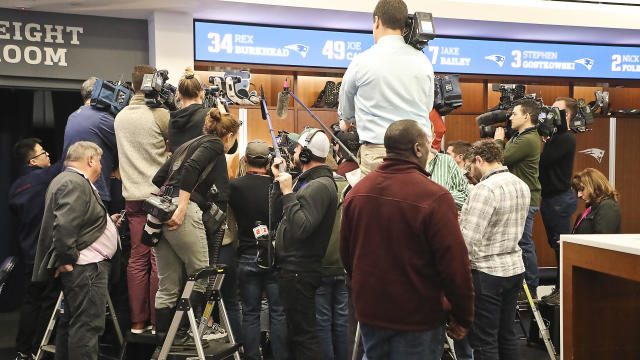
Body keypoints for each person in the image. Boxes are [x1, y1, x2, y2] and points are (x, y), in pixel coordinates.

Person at [340, 120, 474, 360]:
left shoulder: (357, 193)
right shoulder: (436, 197)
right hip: (418, 317)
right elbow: (454, 265)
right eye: (428, 144)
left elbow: (348, 256)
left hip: (371, 313)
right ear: (418, 149)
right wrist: (463, 315)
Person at [151, 108, 240, 343]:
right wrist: (182, 206)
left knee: (168, 284)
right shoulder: (214, 145)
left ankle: (166, 337)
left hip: (160, 213)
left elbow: (159, 179)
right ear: (229, 135)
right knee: (201, 274)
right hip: (182, 212)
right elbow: (191, 169)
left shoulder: (186, 145)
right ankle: (189, 329)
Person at [32, 141, 122, 360]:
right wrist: (67, 258)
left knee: (72, 325)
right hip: (86, 269)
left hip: (84, 267)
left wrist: (106, 222)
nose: (101, 166)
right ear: (91, 160)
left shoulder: (69, 180)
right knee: (87, 328)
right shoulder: (74, 182)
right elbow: (64, 226)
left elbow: (75, 220)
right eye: (99, 161)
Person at [338, 0, 434, 176]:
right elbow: (427, 107)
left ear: (377, 21)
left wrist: (348, 120)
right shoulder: (424, 62)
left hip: (378, 154)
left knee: (377, 202)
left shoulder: (361, 61)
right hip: (419, 153)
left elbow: (346, 112)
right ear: (405, 26)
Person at [270, 128, 338, 360]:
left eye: (298, 148)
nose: (294, 151)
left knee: (303, 337)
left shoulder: (319, 186)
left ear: (307, 155)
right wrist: (279, 184)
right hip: (294, 270)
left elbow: (301, 228)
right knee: (297, 335)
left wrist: (288, 192)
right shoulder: (308, 182)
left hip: (300, 271)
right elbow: (280, 217)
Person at [460, 140, 530, 360]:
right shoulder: (521, 184)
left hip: (486, 272)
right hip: (514, 268)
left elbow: (467, 240)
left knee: (484, 340)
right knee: (507, 334)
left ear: (479, 160)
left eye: (470, 167)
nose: (470, 173)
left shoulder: (484, 188)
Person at [114, 64, 170, 333]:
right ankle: (158, 324)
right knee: (158, 260)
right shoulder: (160, 115)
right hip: (157, 199)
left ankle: (137, 323)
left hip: (132, 198)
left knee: (137, 259)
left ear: (133, 85)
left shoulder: (120, 116)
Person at [229, 139, 289, 360]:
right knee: (279, 313)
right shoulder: (278, 186)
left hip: (246, 254)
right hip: (275, 255)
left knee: (251, 313)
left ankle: (252, 356)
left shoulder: (234, 186)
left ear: (245, 160)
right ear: (269, 161)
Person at [9, 139, 62, 360]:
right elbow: (68, 162)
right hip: (46, 253)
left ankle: (23, 350)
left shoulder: (15, 187)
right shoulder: (44, 178)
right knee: (48, 303)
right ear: (33, 161)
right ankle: (39, 350)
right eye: (44, 153)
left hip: (28, 254)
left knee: (31, 302)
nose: (48, 156)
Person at [494, 98, 541, 297]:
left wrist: (498, 140)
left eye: (514, 113)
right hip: (518, 198)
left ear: (526, 116)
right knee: (518, 242)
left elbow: (501, 159)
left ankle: (530, 288)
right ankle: (521, 286)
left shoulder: (528, 139)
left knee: (523, 243)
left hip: (526, 199)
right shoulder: (519, 136)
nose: (510, 117)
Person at [539, 97, 578, 305]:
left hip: (558, 200)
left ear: (567, 115)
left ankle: (563, 292)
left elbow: (543, 162)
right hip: (553, 199)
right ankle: (559, 290)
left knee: (560, 247)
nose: (550, 113)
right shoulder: (556, 137)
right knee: (556, 246)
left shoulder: (565, 137)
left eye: (555, 110)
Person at [62, 77, 118, 207]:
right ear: (101, 93)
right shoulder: (102, 118)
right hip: (93, 190)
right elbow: (127, 144)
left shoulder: (73, 116)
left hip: (71, 187)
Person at [316, 173, 350, 360]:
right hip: (344, 264)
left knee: (322, 320)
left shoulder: (316, 188)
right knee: (343, 319)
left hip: (322, 263)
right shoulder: (351, 187)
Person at [168, 67, 209, 152]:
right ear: (202, 94)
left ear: (179, 94)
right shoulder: (209, 116)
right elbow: (232, 148)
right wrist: (223, 113)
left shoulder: (172, 119)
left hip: (178, 165)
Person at [570, 168, 621, 234]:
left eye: (581, 189)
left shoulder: (608, 206)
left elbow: (602, 240)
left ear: (593, 186)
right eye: (578, 190)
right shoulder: (590, 210)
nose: (579, 195)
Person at [426, 134, 469, 210]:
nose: (446, 155)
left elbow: (464, 197)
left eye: (449, 154)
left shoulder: (447, 162)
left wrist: (437, 195)